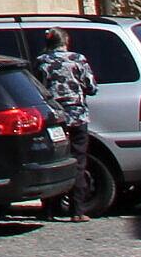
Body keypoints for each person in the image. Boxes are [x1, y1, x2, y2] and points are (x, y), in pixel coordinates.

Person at [33, 28, 100, 220]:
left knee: (53, 160)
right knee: (78, 160)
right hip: (77, 116)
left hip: (53, 118)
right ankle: (77, 211)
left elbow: (37, 89)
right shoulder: (77, 59)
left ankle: (48, 209)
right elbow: (91, 87)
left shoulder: (41, 61)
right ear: (66, 41)